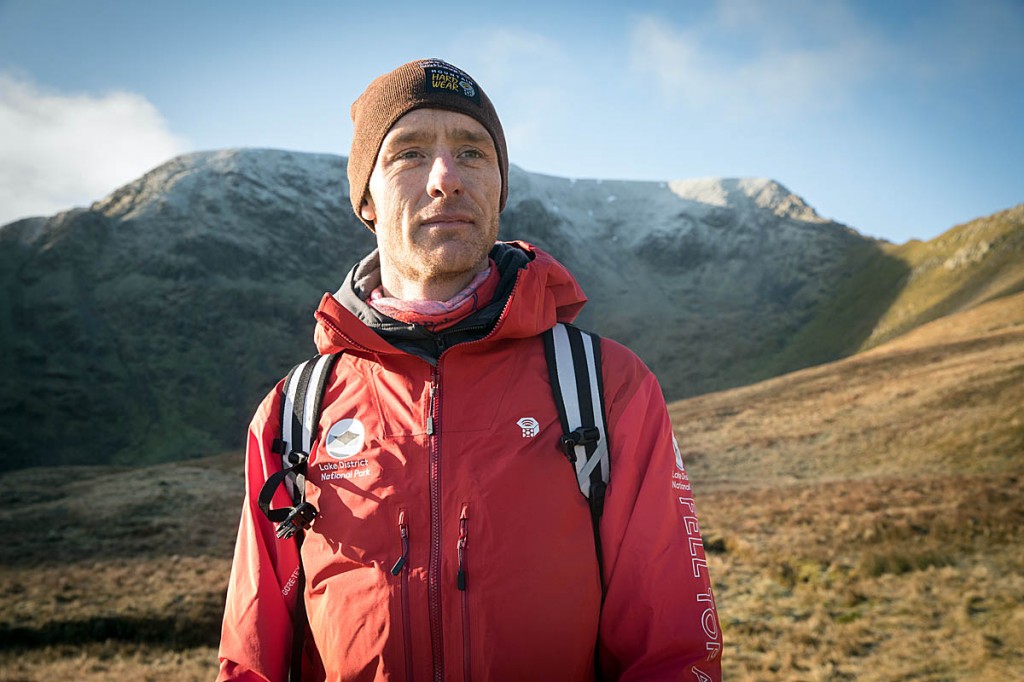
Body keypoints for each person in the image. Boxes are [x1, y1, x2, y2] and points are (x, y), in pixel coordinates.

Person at [217, 58, 721, 682]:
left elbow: (671, 653)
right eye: (407, 153)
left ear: (500, 189)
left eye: (473, 153)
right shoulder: (295, 413)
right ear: (366, 199)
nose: (445, 178)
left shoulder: (606, 387)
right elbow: (252, 663)